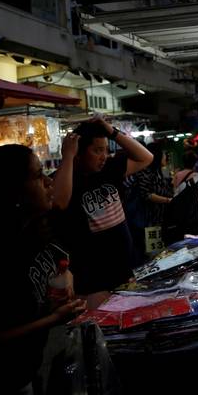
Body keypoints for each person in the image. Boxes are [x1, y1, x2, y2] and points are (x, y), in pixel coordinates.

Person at [0, 144, 85, 395]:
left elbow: (58, 263)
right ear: (11, 191)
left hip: (28, 369)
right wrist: (53, 318)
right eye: (37, 176)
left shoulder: (32, 229)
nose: (48, 182)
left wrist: (65, 279)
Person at [51, 116, 152, 303]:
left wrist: (111, 131)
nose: (103, 156)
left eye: (105, 150)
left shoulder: (108, 170)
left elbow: (146, 158)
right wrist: (67, 156)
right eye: (97, 151)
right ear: (78, 153)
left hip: (125, 269)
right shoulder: (65, 180)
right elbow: (58, 202)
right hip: (92, 281)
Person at [123, 142, 173, 265]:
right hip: (149, 223)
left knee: (160, 254)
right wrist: (168, 200)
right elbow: (147, 195)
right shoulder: (144, 171)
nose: (165, 158)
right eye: (163, 155)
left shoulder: (158, 172)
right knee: (153, 257)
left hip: (159, 221)